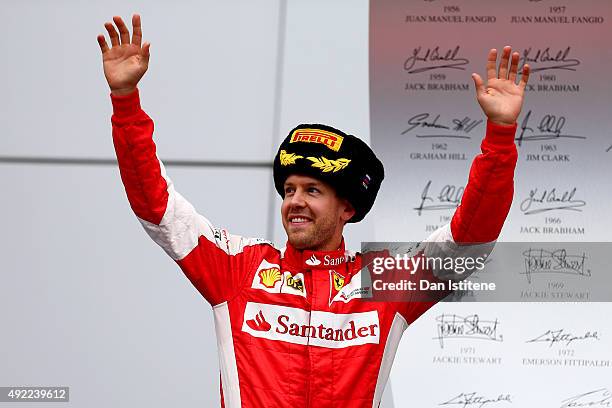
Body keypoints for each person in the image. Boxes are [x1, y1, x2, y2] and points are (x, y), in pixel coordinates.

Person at [98, 14, 530, 408]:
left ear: (346, 207)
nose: (294, 202)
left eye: (312, 190)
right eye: (288, 189)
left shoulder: (382, 283)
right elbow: (157, 207)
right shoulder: (239, 269)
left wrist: (501, 134)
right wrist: (125, 100)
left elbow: (469, 239)